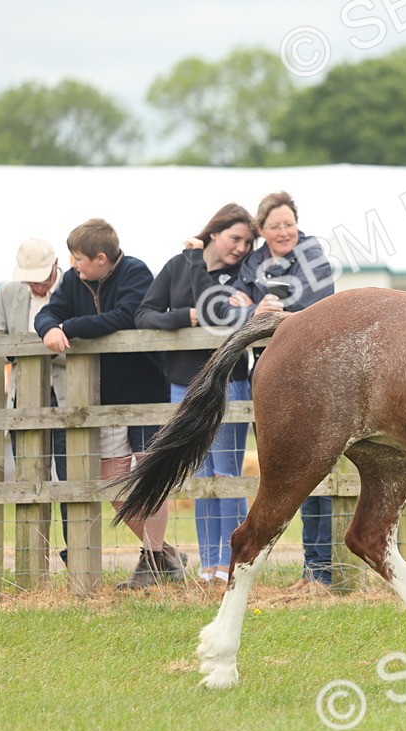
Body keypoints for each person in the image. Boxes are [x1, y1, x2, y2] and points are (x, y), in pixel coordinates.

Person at [33, 218, 180, 589]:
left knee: (150, 475)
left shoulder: (135, 273)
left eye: (79, 258)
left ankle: (152, 559)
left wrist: (69, 328)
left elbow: (125, 317)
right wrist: (51, 327)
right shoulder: (73, 280)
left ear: (101, 258)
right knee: (108, 478)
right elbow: (48, 312)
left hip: (147, 391)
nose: (73, 264)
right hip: (103, 397)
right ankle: (163, 554)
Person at [220, 192, 336, 590]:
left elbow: (320, 301)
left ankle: (321, 568)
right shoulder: (251, 262)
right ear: (262, 231)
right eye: (276, 226)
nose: (285, 231)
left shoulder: (312, 254)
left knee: (317, 471)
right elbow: (230, 305)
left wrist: (276, 308)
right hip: (271, 376)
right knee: (285, 474)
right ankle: (308, 568)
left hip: (314, 372)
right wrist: (251, 309)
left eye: (289, 224)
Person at [137, 204, 256, 584]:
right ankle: (209, 566)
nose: (240, 247)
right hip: (181, 385)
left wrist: (195, 263)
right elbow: (144, 315)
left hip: (228, 381)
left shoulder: (245, 275)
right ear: (214, 232)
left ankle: (233, 562)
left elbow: (216, 312)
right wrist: (184, 317)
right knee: (200, 475)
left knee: (226, 474)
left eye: (247, 242)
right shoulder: (177, 265)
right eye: (235, 238)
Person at [0, 239, 69, 562]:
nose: (37, 285)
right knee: (29, 477)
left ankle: (75, 553)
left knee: (70, 476)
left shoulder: (71, 288)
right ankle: (30, 555)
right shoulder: (9, 293)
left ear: (55, 267)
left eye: (42, 277)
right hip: (23, 397)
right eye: (31, 279)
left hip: (67, 395)